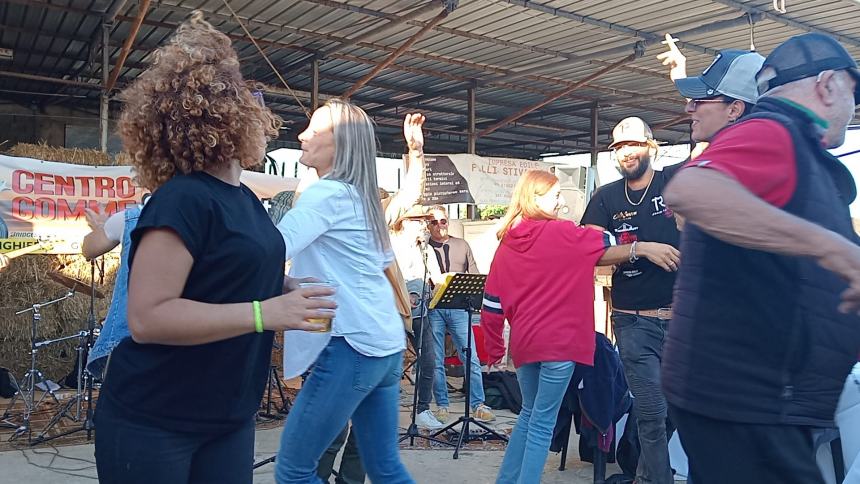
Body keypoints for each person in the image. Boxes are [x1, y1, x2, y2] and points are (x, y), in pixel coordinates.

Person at [92, 13, 336, 484]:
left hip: (227, 414)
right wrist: (268, 313)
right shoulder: (182, 199)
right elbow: (148, 317)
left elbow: (225, 271)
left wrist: (285, 286)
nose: (259, 106)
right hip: (156, 418)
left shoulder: (243, 197)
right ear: (223, 113)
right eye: (246, 93)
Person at [662, 32, 860, 484]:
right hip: (749, 399)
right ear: (829, 84)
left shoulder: (793, 147)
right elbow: (691, 190)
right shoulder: (773, 132)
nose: (854, 109)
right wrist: (835, 250)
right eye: (854, 94)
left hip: (760, 399)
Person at [481, 169, 678, 484]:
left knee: (528, 416)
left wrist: (491, 349)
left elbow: (491, 303)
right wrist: (644, 246)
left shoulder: (507, 243)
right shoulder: (566, 233)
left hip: (525, 344)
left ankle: (506, 480)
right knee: (542, 424)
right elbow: (614, 240)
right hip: (560, 344)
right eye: (556, 195)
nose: (561, 203)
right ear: (535, 198)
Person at [274, 98, 414, 484]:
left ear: (341, 144)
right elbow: (380, 262)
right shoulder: (361, 197)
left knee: (293, 471)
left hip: (350, 344)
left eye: (315, 130)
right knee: (385, 466)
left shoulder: (328, 194)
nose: (302, 135)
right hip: (384, 345)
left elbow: (272, 249)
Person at [316, 113, 432, 483]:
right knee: (330, 428)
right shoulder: (320, 209)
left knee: (367, 434)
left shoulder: (375, 217)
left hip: (383, 333)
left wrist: (415, 152)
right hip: (339, 332)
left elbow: (409, 195)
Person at [580, 117, 683, 484]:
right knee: (652, 411)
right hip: (633, 320)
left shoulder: (673, 181)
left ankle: (643, 475)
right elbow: (588, 251)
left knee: (676, 409)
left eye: (634, 145)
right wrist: (640, 249)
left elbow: (710, 148)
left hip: (681, 320)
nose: (627, 153)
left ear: (651, 147)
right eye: (620, 147)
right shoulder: (606, 197)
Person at [424, 204, 495, 424]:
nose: (439, 226)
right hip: (433, 307)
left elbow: (474, 275)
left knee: (470, 356)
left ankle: (478, 404)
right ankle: (442, 406)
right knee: (436, 359)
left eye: (442, 221)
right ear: (428, 225)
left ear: (448, 221)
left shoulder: (461, 245)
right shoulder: (422, 248)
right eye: (434, 222)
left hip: (458, 307)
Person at [658, 34, 765, 143]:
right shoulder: (761, 150)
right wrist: (679, 75)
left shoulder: (729, 157)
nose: (688, 109)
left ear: (734, 110)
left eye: (699, 100)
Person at [81, 206, 141, 380]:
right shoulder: (212, 216)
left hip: (131, 338)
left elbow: (89, 248)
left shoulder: (131, 218)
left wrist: (100, 227)